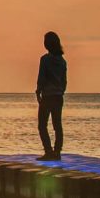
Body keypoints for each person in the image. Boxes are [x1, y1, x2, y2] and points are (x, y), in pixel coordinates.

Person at [35, 31, 67, 159]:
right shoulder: (62, 61)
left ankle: (48, 151)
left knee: (42, 125)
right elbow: (64, 80)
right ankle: (57, 152)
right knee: (57, 125)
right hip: (58, 96)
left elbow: (42, 77)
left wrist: (38, 91)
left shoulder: (45, 59)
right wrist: (61, 90)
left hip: (48, 96)